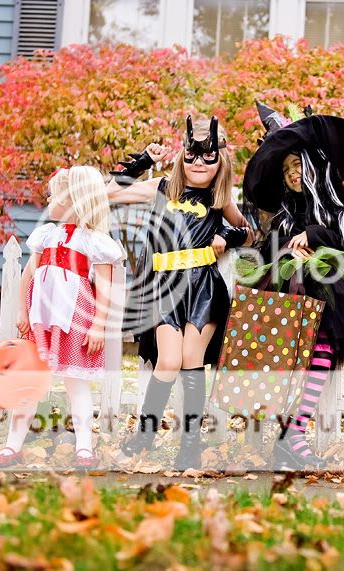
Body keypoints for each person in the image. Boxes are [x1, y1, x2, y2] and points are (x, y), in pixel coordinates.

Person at [109, 116, 252, 471]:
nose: (199, 163)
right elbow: (110, 194)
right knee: (169, 361)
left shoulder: (220, 199)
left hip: (203, 287)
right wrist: (142, 161)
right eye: (192, 156)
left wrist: (229, 238)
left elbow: (249, 231)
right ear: (181, 157)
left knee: (191, 361)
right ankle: (144, 435)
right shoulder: (161, 187)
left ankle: (190, 447)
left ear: (221, 161)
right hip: (165, 286)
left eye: (208, 156)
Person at [241, 102, 344, 469]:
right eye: (286, 169)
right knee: (285, 363)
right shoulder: (282, 210)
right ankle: (284, 436)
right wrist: (283, 247)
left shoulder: (335, 203)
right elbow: (267, 252)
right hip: (285, 294)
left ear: (313, 164)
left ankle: (294, 432)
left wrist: (312, 233)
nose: (293, 175)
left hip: (325, 293)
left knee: (322, 353)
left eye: (298, 165)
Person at [0, 166, 123, 469]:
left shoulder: (93, 242)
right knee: (28, 384)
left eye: (54, 194)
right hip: (40, 323)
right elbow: (28, 276)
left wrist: (99, 326)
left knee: (76, 385)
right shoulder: (46, 235)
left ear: (75, 199)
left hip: (74, 324)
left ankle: (84, 447)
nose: (48, 198)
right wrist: (22, 310)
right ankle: (12, 446)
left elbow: (105, 289)